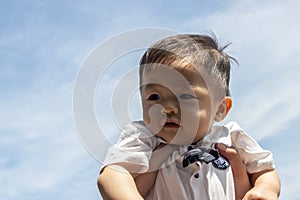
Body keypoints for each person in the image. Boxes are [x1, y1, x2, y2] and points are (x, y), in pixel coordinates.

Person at [97, 33, 281, 199]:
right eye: (154, 97)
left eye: (185, 96)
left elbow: (264, 170)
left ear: (220, 109)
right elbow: (113, 175)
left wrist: (265, 190)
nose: (167, 108)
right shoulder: (144, 138)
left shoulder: (231, 137)